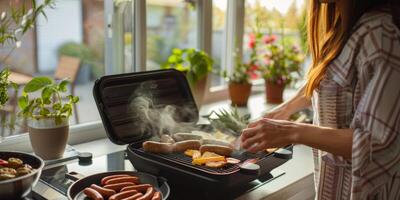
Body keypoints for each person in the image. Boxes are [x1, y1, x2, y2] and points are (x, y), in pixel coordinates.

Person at [240, 0, 400, 199]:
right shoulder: (347, 27)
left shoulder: (381, 34)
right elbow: (329, 81)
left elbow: (376, 143)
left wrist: (291, 131)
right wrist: (282, 111)